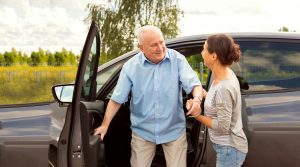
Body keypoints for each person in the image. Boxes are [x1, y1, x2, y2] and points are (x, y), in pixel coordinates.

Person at [94, 25, 202, 167]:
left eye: (161, 42)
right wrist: (105, 125)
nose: (160, 47)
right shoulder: (131, 66)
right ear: (142, 48)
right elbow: (117, 99)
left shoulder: (178, 60)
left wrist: (197, 100)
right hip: (142, 132)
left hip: (174, 131)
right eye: (154, 45)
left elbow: (195, 85)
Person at [186, 34, 248, 167]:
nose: (202, 53)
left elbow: (222, 126)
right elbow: (219, 102)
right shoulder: (224, 74)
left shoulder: (223, 87)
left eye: (204, 49)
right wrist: (203, 94)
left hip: (229, 149)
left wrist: (197, 116)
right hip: (227, 148)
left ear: (214, 56)